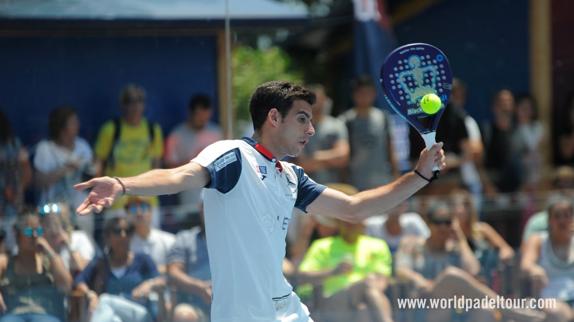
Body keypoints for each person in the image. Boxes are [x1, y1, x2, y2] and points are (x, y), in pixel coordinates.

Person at [74, 80, 445, 322]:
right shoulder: (232, 154)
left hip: (288, 309)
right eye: (302, 119)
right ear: (273, 117)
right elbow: (177, 177)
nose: (311, 130)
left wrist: (419, 176)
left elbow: (355, 208)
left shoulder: (291, 176)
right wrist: (122, 184)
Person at [395, 202, 543, 322]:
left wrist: (460, 239)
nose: (443, 227)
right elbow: (401, 270)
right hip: (422, 306)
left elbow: (474, 271)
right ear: (428, 223)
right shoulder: (412, 244)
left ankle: (504, 309)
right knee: (450, 275)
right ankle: (509, 310)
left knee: (485, 310)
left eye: (447, 222)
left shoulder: (455, 248)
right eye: (438, 222)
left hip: (456, 309)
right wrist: (418, 280)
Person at [297, 184, 393, 322]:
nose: (350, 222)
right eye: (346, 218)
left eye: (354, 218)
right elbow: (303, 277)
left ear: (363, 221)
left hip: (365, 301)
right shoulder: (322, 246)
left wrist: (364, 288)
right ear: (338, 222)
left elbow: (383, 280)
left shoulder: (378, 246)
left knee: (364, 307)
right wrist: (332, 272)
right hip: (331, 302)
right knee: (367, 296)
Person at [94, 84, 164, 227]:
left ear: (144, 105)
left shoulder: (153, 130)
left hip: (147, 200)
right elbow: (98, 164)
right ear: (123, 106)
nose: (135, 107)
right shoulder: (110, 130)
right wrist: (99, 194)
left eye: (139, 102)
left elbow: (157, 166)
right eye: (130, 102)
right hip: (117, 200)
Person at [74, 217, 166, 322]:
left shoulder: (143, 259)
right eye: (117, 231)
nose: (123, 235)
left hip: (140, 314)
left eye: (127, 232)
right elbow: (79, 281)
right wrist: (90, 294)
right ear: (108, 237)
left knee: (104, 301)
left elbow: (162, 281)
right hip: (113, 315)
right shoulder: (100, 263)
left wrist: (150, 283)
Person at [33, 107, 95, 235]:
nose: (78, 126)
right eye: (73, 123)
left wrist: (87, 169)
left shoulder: (83, 146)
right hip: (52, 209)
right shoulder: (45, 149)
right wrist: (65, 170)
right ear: (61, 127)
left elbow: (93, 176)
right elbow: (38, 182)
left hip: (81, 208)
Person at [0, 213, 72, 322]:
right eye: (29, 232)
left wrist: (49, 251)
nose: (34, 236)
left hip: (45, 314)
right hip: (13, 315)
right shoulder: (6, 262)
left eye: (38, 231)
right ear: (17, 234)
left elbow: (67, 285)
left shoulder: (49, 262)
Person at [164, 94, 223, 215]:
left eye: (205, 116)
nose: (202, 120)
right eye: (199, 116)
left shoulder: (217, 133)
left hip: (215, 199)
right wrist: (195, 160)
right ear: (190, 113)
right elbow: (168, 168)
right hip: (188, 199)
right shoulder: (177, 135)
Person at [339, 75, 398, 190]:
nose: (364, 97)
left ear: (374, 94)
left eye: (368, 93)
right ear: (354, 95)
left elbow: (391, 148)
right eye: (360, 93)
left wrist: (396, 176)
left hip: (383, 180)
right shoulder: (345, 121)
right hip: (355, 183)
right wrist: (344, 181)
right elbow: (343, 156)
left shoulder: (384, 117)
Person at [521, 197, 574, 322]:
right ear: (550, 220)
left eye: (567, 215)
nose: (562, 220)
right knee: (558, 314)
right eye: (557, 216)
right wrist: (535, 269)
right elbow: (526, 264)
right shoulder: (538, 240)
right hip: (551, 297)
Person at [295, 84, 349, 184]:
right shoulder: (297, 128)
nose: (317, 103)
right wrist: (331, 159)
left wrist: (317, 157)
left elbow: (343, 156)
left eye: (319, 98)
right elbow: (303, 164)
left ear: (325, 100)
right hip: (305, 188)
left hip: (333, 187)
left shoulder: (336, 125)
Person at [167, 205, 211, 322]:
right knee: (183, 315)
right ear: (200, 208)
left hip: (229, 303)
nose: (210, 209)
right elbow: (173, 272)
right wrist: (200, 288)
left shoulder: (234, 238)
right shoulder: (184, 238)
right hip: (194, 306)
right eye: (205, 205)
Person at [0, 108, 32, 254]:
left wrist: (16, 191)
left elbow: (26, 177)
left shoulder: (13, 144)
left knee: (14, 251)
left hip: (13, 211)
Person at [126, 197, 175, 274]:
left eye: (143, 207)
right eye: (133, 209)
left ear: (151, 212)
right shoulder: (123, 245)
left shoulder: (170, 240)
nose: (139, 213)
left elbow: (177, 269)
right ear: (127, 214)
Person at [365, 201, 429, 255]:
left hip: (406, 262)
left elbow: (428, 240)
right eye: (392, 204)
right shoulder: (372, 224)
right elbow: (364, 246)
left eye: (399, 205)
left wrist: (414, 242)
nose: (395, 209)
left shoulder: (414, 220)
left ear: (405, 206)